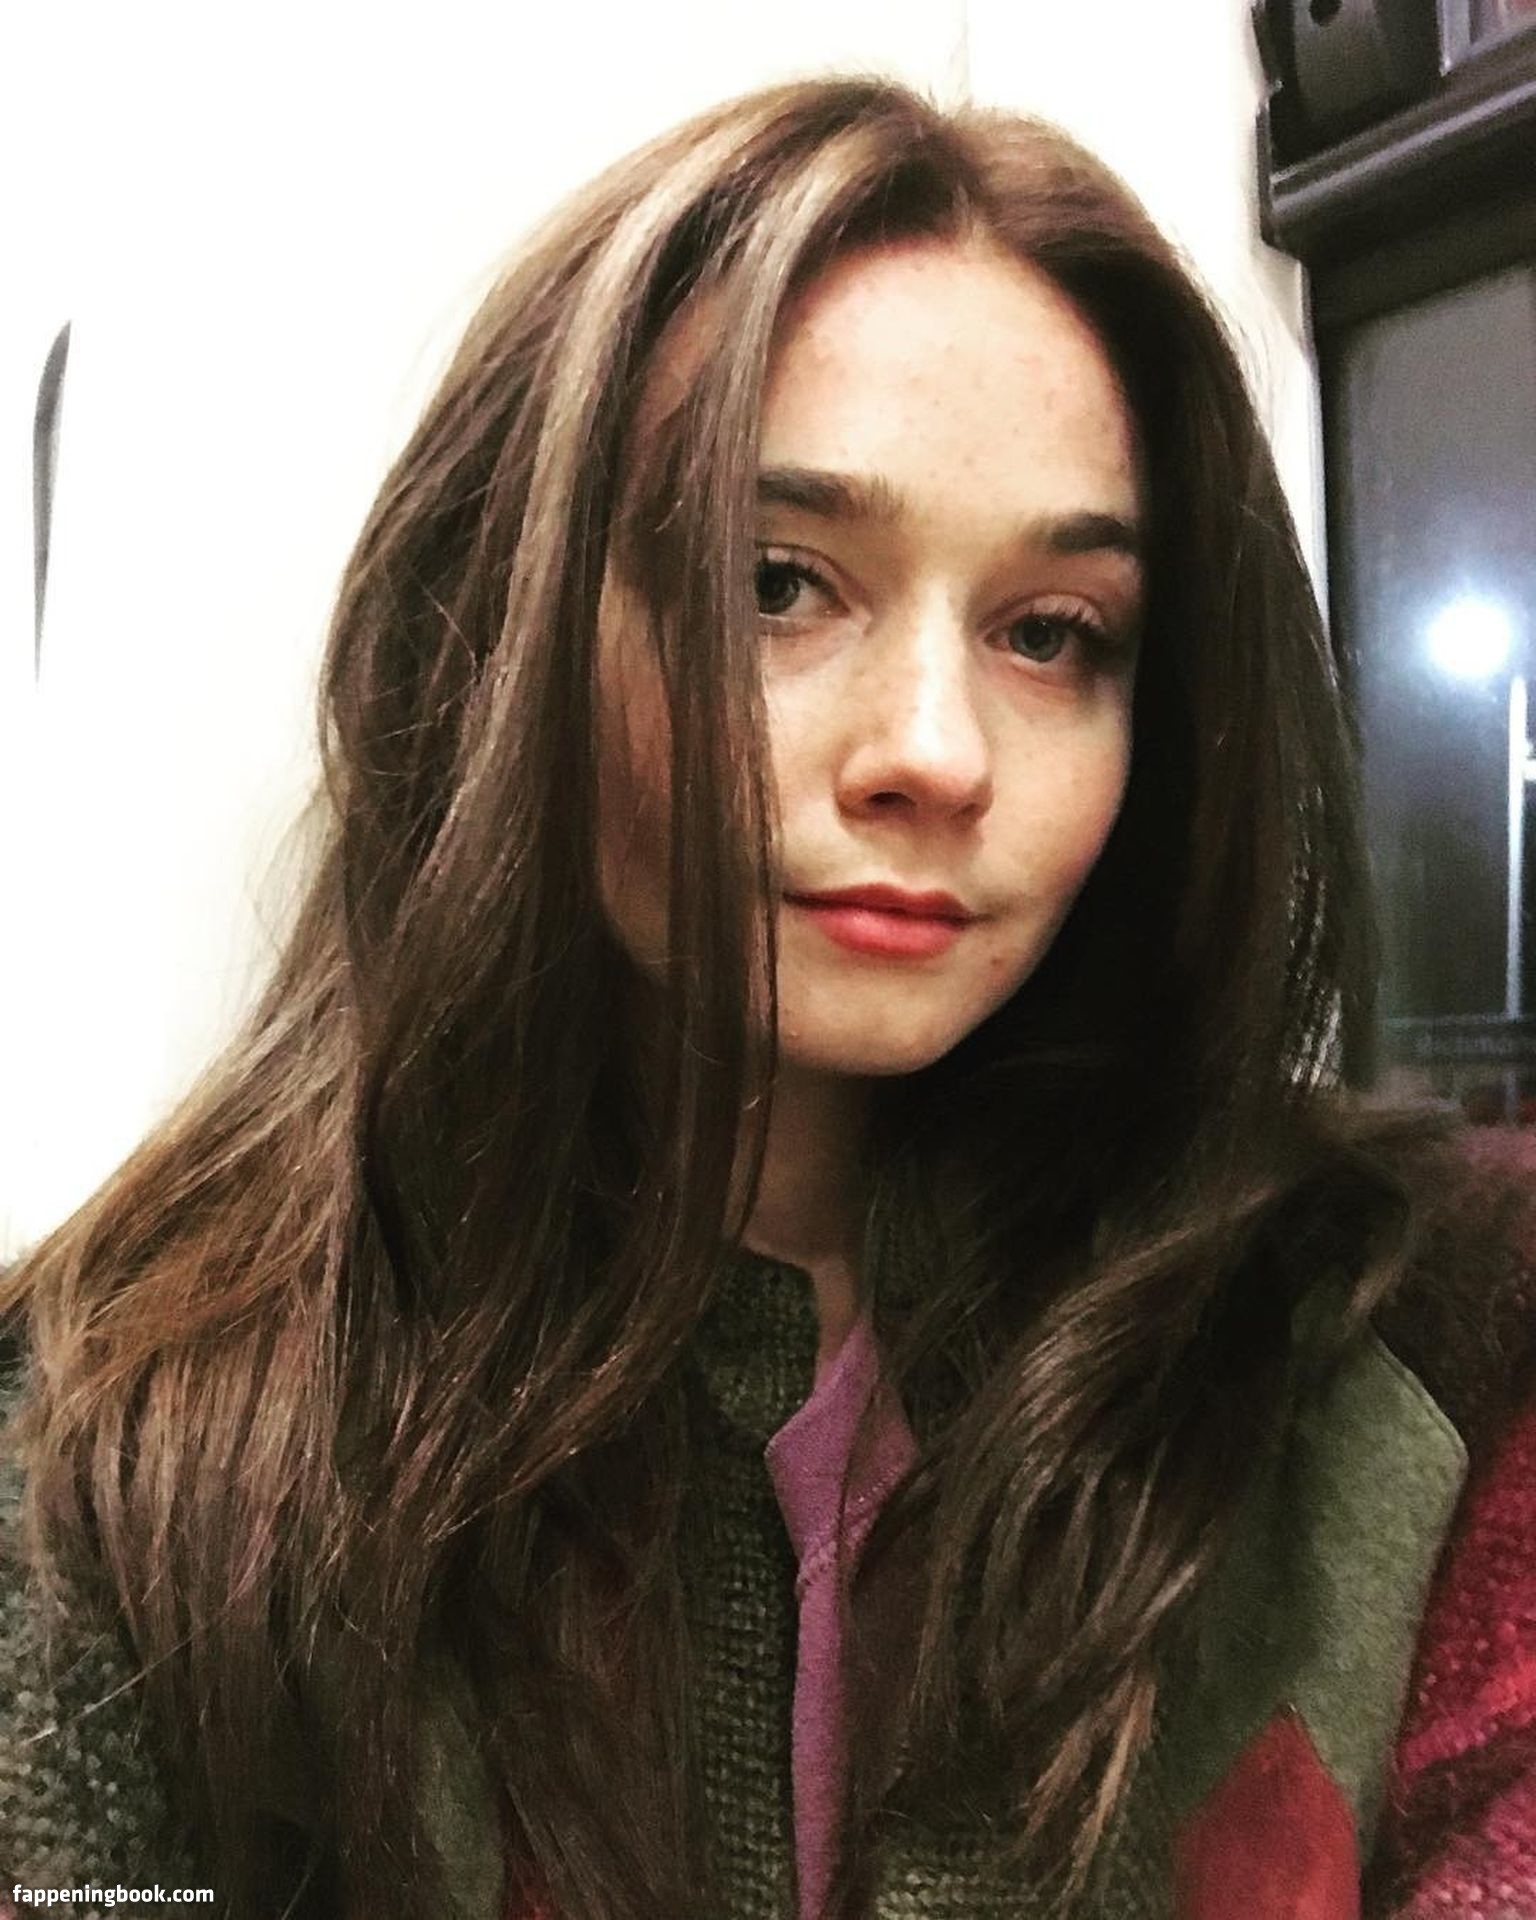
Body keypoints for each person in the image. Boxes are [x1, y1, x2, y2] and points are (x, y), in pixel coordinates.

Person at [2, 74, 1534, 1920]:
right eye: (778, 585)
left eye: (1053, 633)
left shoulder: (1421, 1338)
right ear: (507, 628)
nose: (936, 753)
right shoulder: (115, 1460)